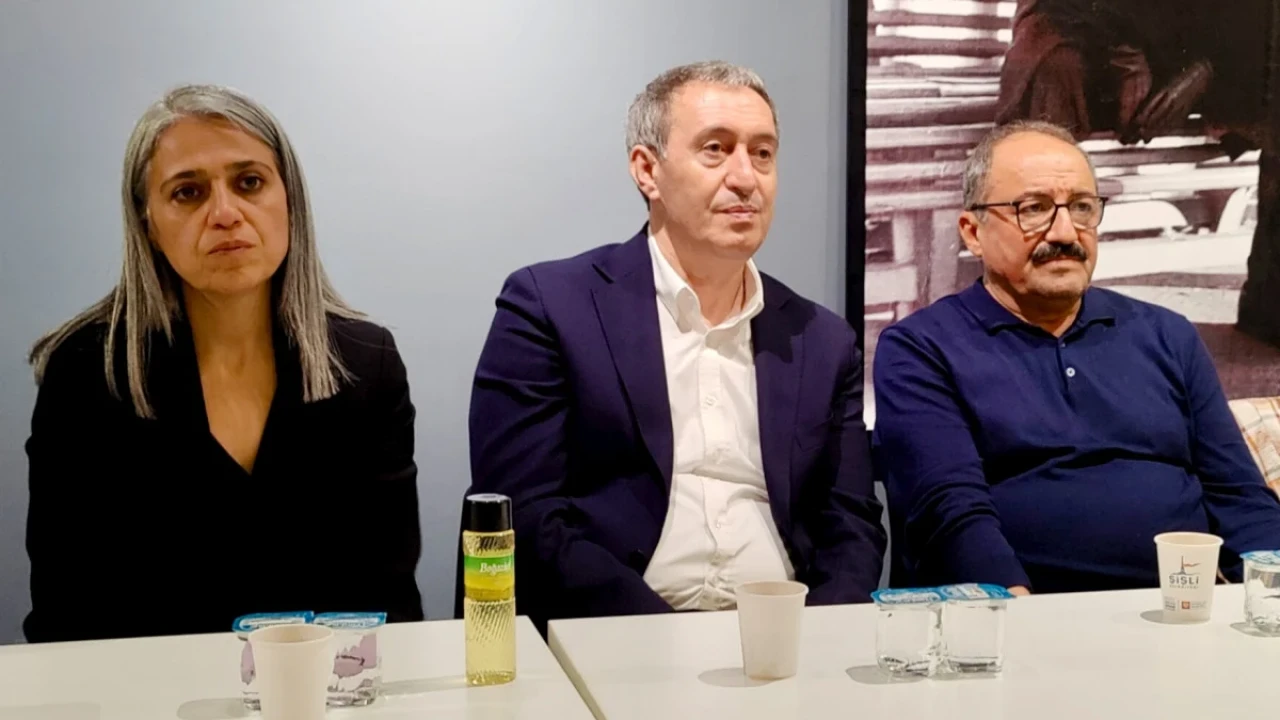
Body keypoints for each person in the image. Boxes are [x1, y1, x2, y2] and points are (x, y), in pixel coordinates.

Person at [466, 61, 886, 628]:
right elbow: (527, 516)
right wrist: (669, 640)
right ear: (648, 171)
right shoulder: (550, 307)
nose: (746, 178)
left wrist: (817, 638)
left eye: (763, 153)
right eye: (716, 149)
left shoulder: (822, 340)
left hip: (784, 641)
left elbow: (851, 525)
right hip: (615, 635)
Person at [24, 85, 424, 643]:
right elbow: (65, 618)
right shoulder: (88, 372)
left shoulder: (366, 364)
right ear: (148, 224)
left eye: (249, 182)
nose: (225, 214)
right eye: (187, 192)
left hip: (326, 686)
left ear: (291, 200)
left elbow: (388, 604)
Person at [873, 121, 1280, 594]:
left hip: (1178, 611)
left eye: (1082, 207)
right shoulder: (921, 348)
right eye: (1034, 208)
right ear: (973, 232)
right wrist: (1016, 613)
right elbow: (948, 514)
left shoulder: (1167, 334)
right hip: (1015, 616)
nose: (1066, 231)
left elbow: (1240, 498)